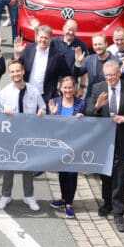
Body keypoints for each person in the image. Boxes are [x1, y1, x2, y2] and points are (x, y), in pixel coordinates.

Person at [86, 60, 124, 233]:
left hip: (122, 139)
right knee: (105, 174)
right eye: (107, 75)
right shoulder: (97, 88)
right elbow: (89, 111)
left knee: (119, 176)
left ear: (119, 73)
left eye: (112, 75)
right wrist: (98, 106)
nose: (109, 78)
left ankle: (119, 213)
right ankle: (107, 203)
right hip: (103, 140)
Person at [0, 60, 45, 212]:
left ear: (23, 71)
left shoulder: (34, 91)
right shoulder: (4, 93)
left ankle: (29, 196)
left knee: (27, 166)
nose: (16, 74)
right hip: (10, 136)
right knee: (9, 166)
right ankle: (5, 195)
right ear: (9, 73)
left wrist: (42, 111)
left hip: (29, 135)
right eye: (12, 71)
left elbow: (42, 106)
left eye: (18, 71)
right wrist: (4, 113)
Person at [48, 76, 86, 218]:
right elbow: (48, 125)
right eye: (65, 87)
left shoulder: (81, 104)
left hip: (75, 144)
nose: (68, 90)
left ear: (75, 88)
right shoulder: (55, 102)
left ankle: (69, 204)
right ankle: (63, 199)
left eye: (70, 87)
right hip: (59, 144)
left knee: (71, 174)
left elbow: (89, 124)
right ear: (60, 88)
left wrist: (83, 118)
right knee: (62, 173)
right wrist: (51, 114)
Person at [13, 24, 75, 103]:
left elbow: (67, 74)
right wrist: (17, 54)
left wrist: (61, 89)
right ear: (36, 38)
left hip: (46, 98)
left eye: (46, 38)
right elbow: (15, 67)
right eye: (41, 37)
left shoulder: (57, 55)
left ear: (50, 40)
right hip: (26, 94)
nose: (43, 40)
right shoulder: (28, 49)